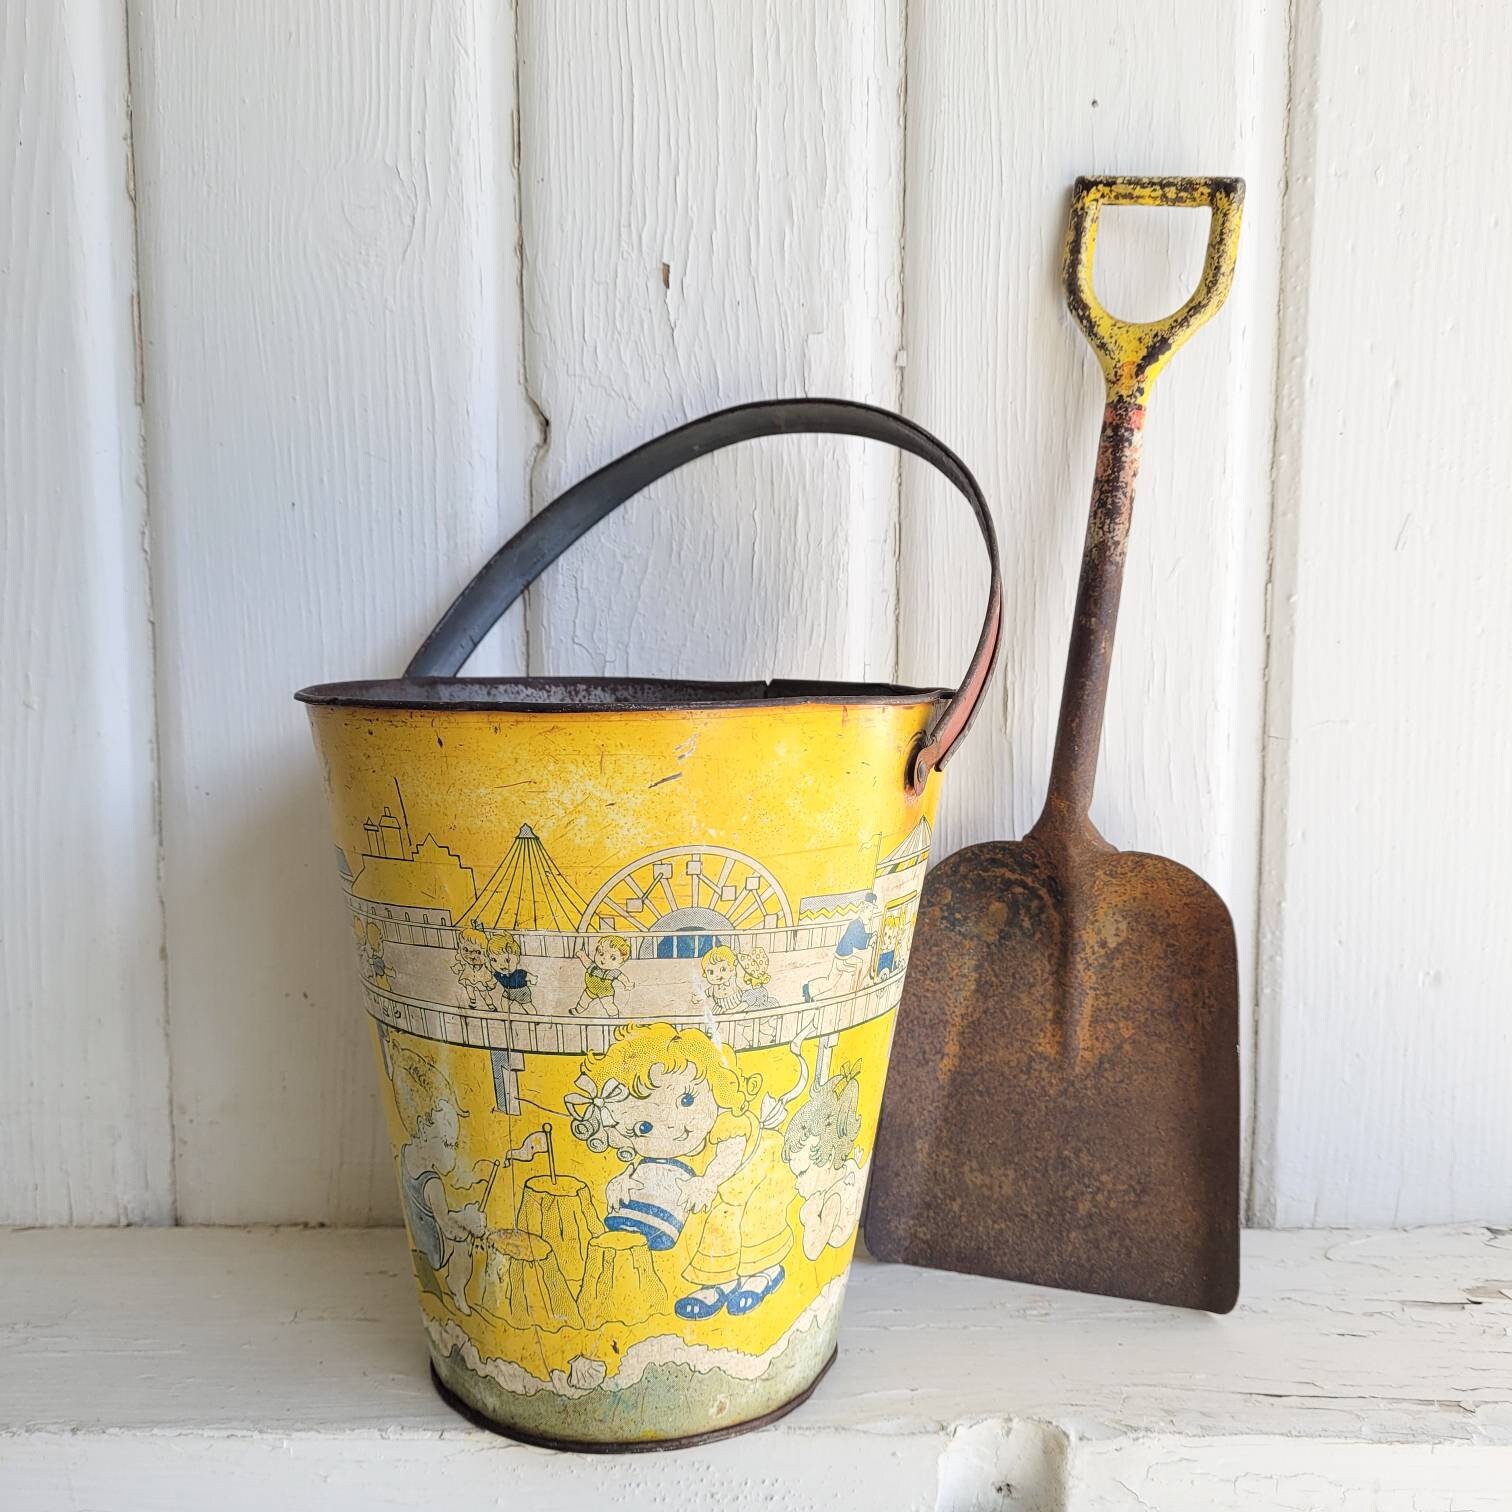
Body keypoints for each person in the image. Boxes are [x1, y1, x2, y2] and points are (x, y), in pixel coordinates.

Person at [565, 1023, 797, 1322]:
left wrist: (708, 1181)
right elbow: (644, 1164)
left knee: (748, 1227)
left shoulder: (727, 1123)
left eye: (687, 1099)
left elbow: (731, 1152)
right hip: (721, 1190)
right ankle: (720, 1284)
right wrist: (623, 1180)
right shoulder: (669, 1144)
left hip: (758, 1175)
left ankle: (764, 1273)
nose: (674, 1125)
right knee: (718, 1226)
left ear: (715, 1080)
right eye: (644, 1127)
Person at [399, 1097, 486, 1313]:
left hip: (419, 1232)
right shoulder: (432, 1183)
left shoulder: (406, 1154)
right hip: (432, 1245)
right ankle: (457, 1289)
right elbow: (447, 1227)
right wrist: (469, 1219)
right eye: (447, 1144)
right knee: (463, 1242)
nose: (450, 1151)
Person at [782, 1063, 869, 1261]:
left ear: (828, 1159)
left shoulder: (833, 1200)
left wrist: (810, 1213)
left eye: (802, 1173)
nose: (796, 1183)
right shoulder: (833, 1175)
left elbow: (812, 1249)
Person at [803, 893, 881, 1002]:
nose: (871, 915)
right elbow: (857, 941)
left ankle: (809, 988)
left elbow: (861, 936)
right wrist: (869, 940)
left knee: (830, 982)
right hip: (843, 957)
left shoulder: (859, 924)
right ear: (865, 909)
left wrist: (870, 935)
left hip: (841, 956)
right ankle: (854, 993)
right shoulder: (855, 924)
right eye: (871, 911)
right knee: (859, 964)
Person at [573, 934, 634, 1014]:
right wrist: (582, 955)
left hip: (605, 993)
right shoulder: (592, 965)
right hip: (591, 989)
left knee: (608, 1005)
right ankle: (578, 1010)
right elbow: (586, 961)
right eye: (601, 953)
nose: (604, 958)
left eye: (612, 958)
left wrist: (627, 983)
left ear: (621, 962)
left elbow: (622, 977)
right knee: (584, 1000)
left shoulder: (613, 972)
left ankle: (614, 1015)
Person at [489, 932, 537, 1011]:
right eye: (494, 960)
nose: (501, 965)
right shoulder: (497, 974)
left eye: (507, 960)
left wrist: (532, 979)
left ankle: (534, 1017)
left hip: (521, 991)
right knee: (504, 1002)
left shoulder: (519, 973)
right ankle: (506, 1016)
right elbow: (493, 981)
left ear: (517, 959)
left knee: (527, 1005)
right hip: (508, 991)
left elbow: (528, 976)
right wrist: (490, 984)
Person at [698, 945, 744, 1013]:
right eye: (711, 972)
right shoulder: (713, 989)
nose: (717, 975)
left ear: (731, 967)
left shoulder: (733, 981)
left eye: (723, 969)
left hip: (736, 1006)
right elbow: (705, 993)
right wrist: (698, 997)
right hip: (720, 1009)